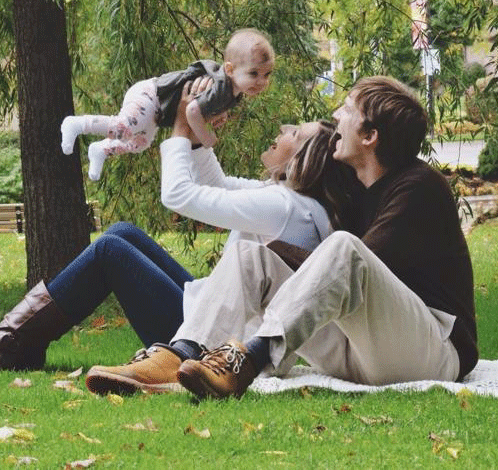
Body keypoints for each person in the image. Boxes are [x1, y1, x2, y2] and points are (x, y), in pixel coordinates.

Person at [95, 75, 477, 401]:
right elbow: (330, 275)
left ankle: (249, 360)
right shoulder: (359, 194)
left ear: (370, 136)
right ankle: (178, 354)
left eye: (346, 109)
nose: (336, 116)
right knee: (251, 256)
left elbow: (359, 267)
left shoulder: (418, 187)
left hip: (434, 350)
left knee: (343, 249)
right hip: (365, 350)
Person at [0, 79, 358, 383]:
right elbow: (216, 184)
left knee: (110, 251)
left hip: (211, 340)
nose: (282, 130)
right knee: (123, 233)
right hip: (221, 320)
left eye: (294, 133)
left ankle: (12, 340)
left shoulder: (284, 207)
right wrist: (197, 130)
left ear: (305, 160)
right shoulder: (295, 204)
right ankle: (24, 339)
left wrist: (180, 131)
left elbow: (179, 196)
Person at [60, 28, 274, 180]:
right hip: (152, 95)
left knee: (140, 143)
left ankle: (101, 150)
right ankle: (77, 124)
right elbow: (191, 110)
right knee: (124, 128)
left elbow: (210, 106)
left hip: (158, 111)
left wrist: (221, 114)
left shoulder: (234, 92)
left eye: (267, 75)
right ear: (229, 70)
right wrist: (205, 136)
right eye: (254, 73)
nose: (261, 82)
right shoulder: (220, 87)